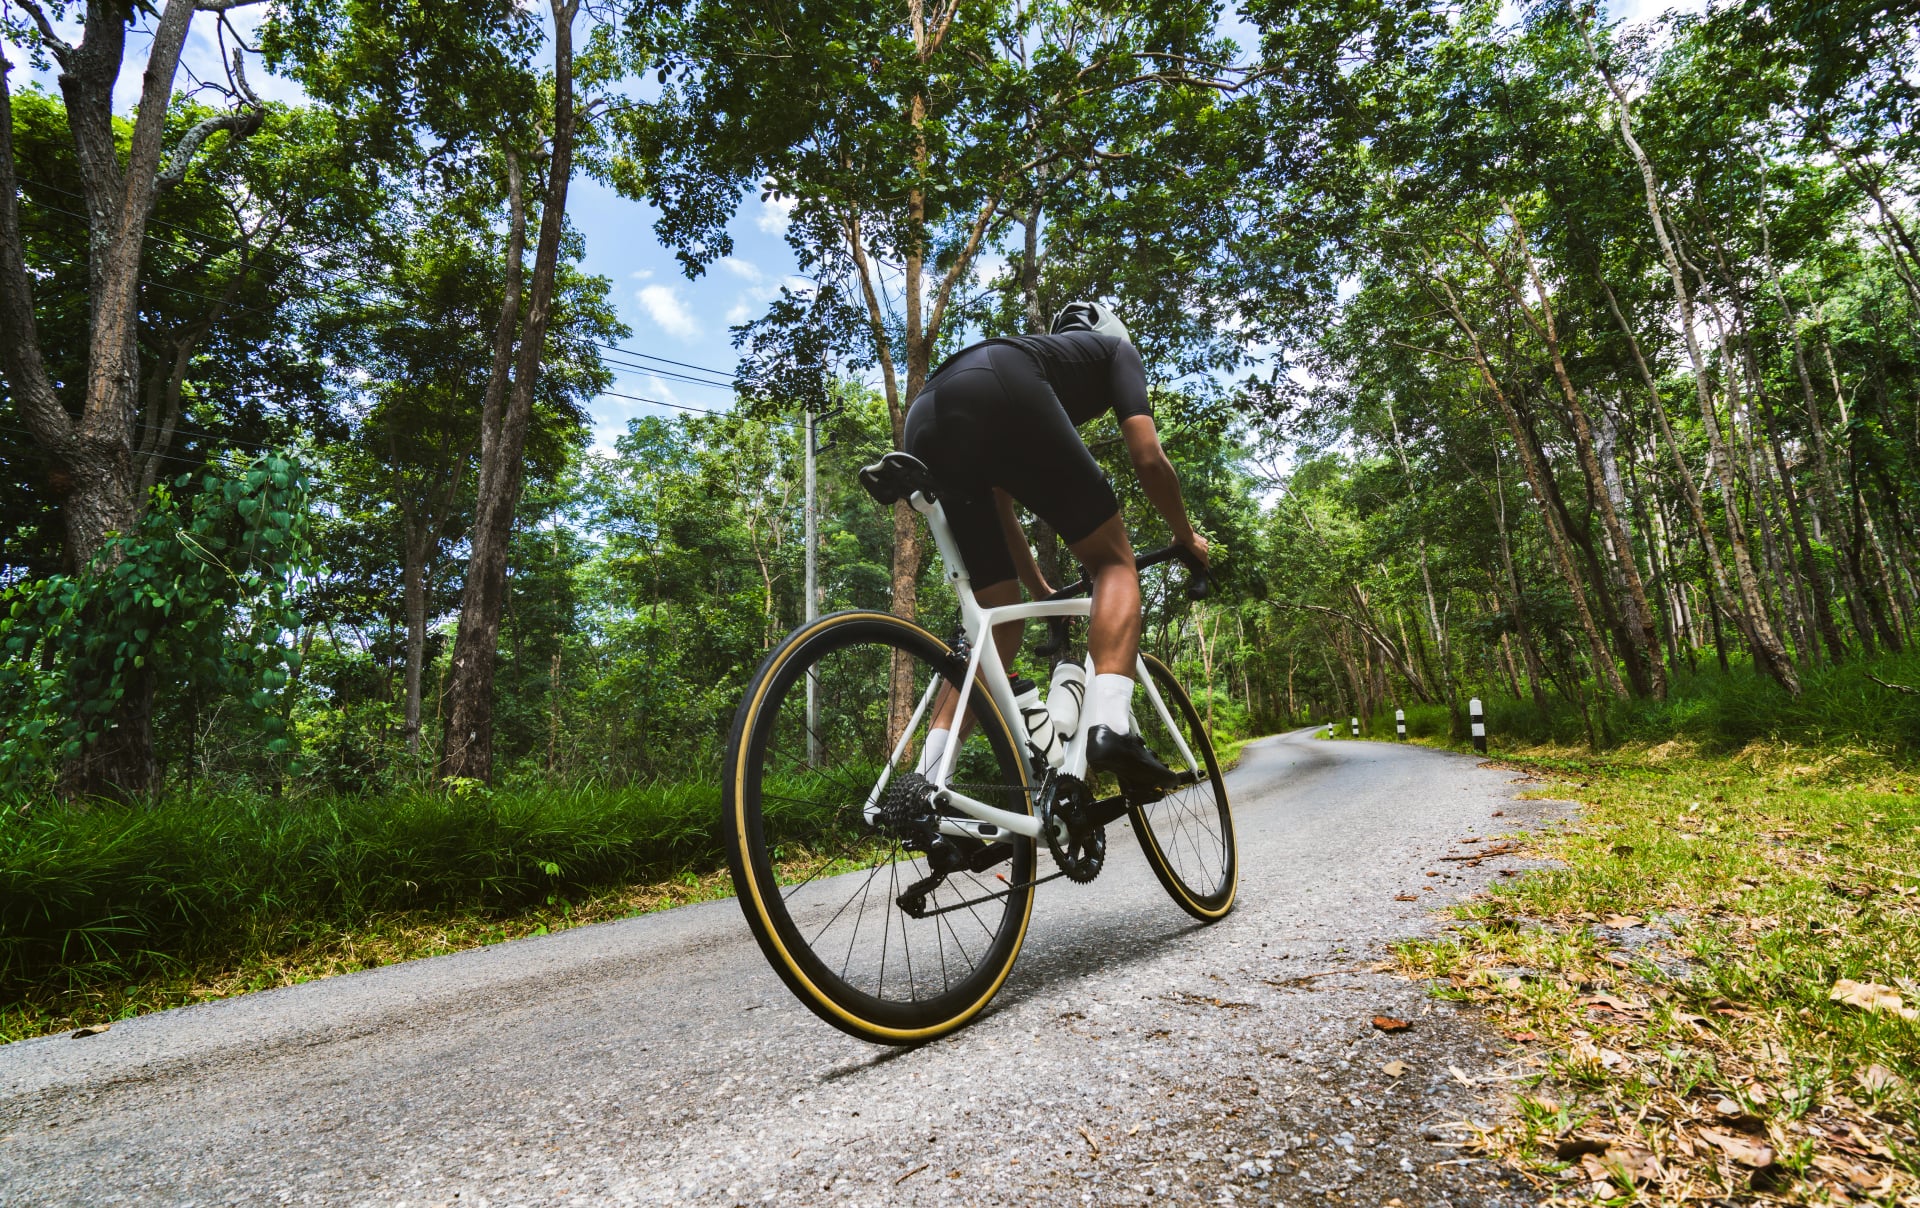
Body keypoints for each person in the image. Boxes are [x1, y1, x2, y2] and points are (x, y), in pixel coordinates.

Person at [903, 301, 1209, 793]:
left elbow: (1000, 510)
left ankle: (929, 783)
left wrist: (1041, 590)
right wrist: (1184, 535)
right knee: (1113, 563)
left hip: (924, 418)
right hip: (997, 383)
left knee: (998, 621)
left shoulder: (1046, 362)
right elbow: (1149, 457)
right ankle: (1110, 725)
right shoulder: (1117, 351)